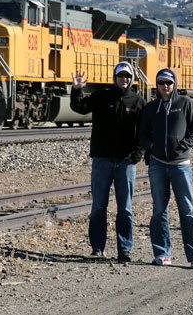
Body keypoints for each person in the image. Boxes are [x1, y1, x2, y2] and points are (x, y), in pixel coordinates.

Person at [71, 61, 146, 262]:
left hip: (126, 163)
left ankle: (125, 250)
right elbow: (80, 107)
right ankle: (97, 248)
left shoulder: (138, 101)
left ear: (132, 79)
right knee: (98, 206)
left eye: (127, 76)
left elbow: (145, 131)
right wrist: (77, 90)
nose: (124, 79)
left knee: (125, 208)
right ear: (115, 77)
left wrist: (137, 154)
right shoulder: (102, 96)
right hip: (102, 160)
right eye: (120, 75)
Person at [139, 67, 193, 269]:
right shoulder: (151, 108)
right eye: (161, 82)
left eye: (168, 82)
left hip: (180, 165)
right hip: (158, 165)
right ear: (157, 85)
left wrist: (183, 145)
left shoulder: (185, 103)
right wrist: (152, 147)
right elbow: (142, 133)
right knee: (159, 210)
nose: (165, 86)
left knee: (188, 210)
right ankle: (162, 254)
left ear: (174, 84)